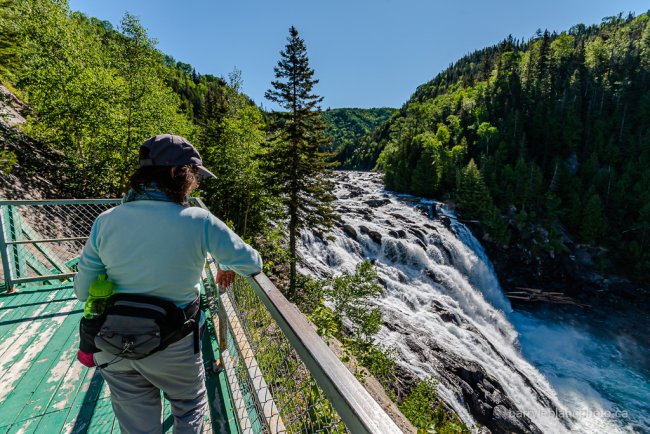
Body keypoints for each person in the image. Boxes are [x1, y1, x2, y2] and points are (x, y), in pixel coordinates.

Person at [74, 134, 262, 434]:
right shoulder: (199, 220)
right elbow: (252, 263)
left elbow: (82, 291)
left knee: (137, 426)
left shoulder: (106, 220)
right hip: (174, 344)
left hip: (113, 341)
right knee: (189, 407)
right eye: (194, 175)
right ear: (178, 174)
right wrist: (225, 263)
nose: (195, 182)